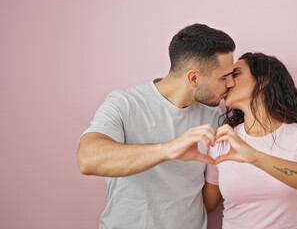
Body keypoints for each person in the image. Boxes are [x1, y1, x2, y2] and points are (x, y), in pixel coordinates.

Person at [77, 23, 236, 229]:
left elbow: (209, 199)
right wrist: (170, 149)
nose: (231, 83)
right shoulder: (124, 104)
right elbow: (88, 160)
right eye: (224, 77)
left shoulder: (214, 118)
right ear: (193, 78)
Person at [203, 52, 297, 228]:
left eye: (236, 74)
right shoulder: (222, 140)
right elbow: (206, 205)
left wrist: (254, 156)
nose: (229, 83)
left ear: (263, 81)